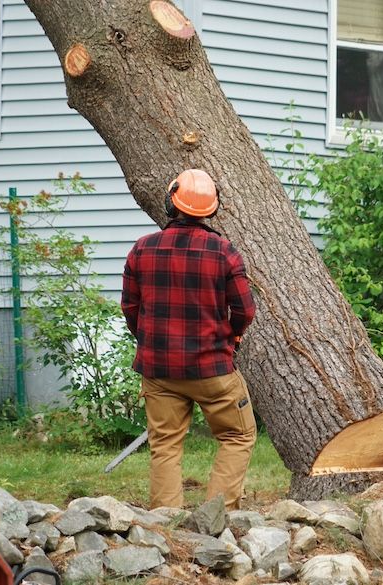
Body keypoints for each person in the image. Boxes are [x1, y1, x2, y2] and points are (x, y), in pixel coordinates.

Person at [121, 168, 257, 510]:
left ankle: (164, 523)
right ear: (211, 209)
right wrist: (232, 338)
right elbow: (245, 311)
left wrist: (151, 342)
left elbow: (130, 307)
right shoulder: (224, 252)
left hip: (159, 369)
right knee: (238, 435)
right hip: (212, 368)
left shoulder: (142, 249)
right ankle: (218, 516)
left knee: (165, 444)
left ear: (171, 203)